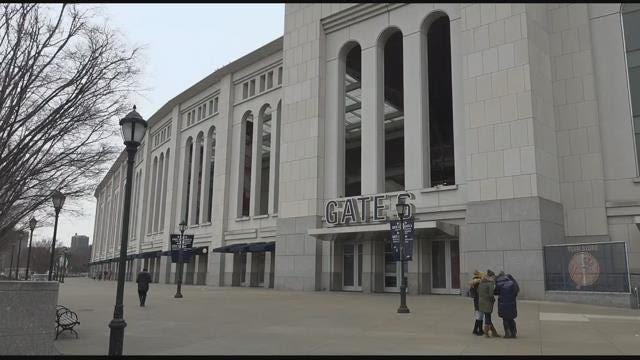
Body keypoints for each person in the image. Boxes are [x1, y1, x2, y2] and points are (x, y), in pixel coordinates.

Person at [495, 271, 519, 338]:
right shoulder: (512, 282)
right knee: (511, 318)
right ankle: (513, 333)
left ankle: (507, 333)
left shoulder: (499, 283)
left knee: (505, 318)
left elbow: (495, 292)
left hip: (502, 303)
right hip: (511, 302)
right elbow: (516, 290)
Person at [478, 269, 500, 338]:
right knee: (488, 317)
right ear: (491, 276)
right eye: (493, 276)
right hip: (487, 303)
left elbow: (478, 291)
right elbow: (491, 294)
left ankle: (494, 332)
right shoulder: (490, 283)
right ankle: (486, 333)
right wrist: (493, 300)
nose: (494, 278)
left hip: (481, 302)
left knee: (487, 317)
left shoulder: (481, 282)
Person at [468, 270, 485, 336]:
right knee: (479, 316)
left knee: (479, 316)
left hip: (477, 301)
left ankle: (476, 330)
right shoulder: (477, 283)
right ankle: (479, 330)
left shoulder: (474, 283)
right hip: (479, 301)